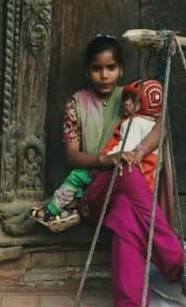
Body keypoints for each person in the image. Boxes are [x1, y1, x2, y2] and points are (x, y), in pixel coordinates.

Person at [37, 34, 186, 307]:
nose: (105, 75)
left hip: (130, 194)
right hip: (95, 191)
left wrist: (137, 151)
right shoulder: (76, 103)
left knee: (127, 216)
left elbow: (161, 127)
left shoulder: (131, 97)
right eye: (98, 69)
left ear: (120, 69)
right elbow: (72, 155)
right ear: (88, 70)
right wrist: (107, 160)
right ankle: (177, 262)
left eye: (111, 68)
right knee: (123, 172)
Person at [32, 77, 164, 231]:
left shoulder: (133, 123)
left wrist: (105, 161)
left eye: (134, 100)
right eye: (126, 98)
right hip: (145, 184)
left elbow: (124, 150)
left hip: (116, 172)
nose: (127, 103)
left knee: (76, 176)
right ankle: (72, 210)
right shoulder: (153, 126)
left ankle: (50, 211)